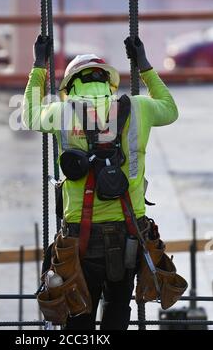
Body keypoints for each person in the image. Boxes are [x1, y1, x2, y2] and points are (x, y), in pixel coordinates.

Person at [22, 35, 178, 330]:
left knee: (79, 314)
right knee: (118, 307)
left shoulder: (61, 112)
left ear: (71, 86)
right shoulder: (139, 108)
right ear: (108, 82)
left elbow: (29, 116)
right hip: (130, 232)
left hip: (81, 236)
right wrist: (144, 65)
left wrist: (39, 66)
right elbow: (170, 109)